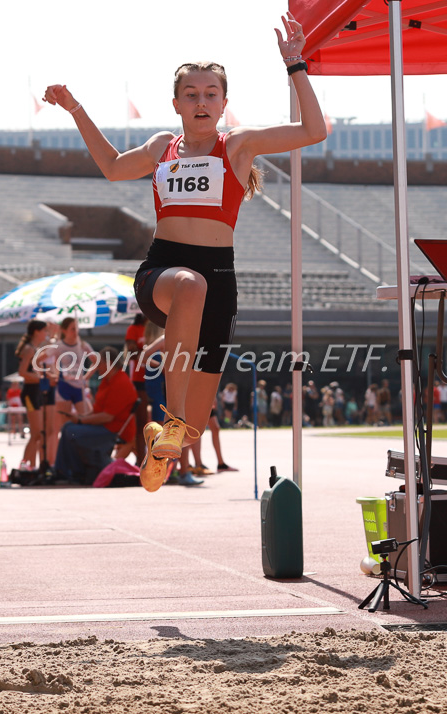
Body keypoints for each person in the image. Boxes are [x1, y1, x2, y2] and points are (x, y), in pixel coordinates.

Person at [43, 11, 326, 492]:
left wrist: (295, 64)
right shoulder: (162, 146)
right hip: (165, 271)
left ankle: (166, 440)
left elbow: (313, 131)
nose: (200, 102)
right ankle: (169, 421)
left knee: (197, 421)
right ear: (176, 103)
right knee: (189, 287)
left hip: (221, 279)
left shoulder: (238, 145)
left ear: (223, 104)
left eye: (210, 94)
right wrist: (76, 110)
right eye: (191, 95)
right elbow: (112, 167)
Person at [54, 347, 138, 485]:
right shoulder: (108, 380)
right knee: (69, 427)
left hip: (112, 430)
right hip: (105, 427)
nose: (97, 367)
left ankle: (70, 472)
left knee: (70, 430)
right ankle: (67, 471)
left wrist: (81, 420)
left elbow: (107, 417)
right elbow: (97, 411)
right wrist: (79, 417)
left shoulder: (121, 382)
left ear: (110, 363)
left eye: (100, 363)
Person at [15, 320, 55, 468]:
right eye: (44, 331)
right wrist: (41, 378)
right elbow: (22, 372)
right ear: (36, 332)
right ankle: (24, 466)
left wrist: (48, 376)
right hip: (30, 393)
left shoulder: (34, 348)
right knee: (36, 434)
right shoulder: (29, 349)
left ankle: (29, 466)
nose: (46, 334)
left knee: (38, 434)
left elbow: (35, 370)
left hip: (35, 392)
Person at [52, 317, 95, 437]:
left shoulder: (82, 345)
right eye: (72, 329)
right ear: (64, 330)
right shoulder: (59, 346)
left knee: (85, 419)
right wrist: (52, 375)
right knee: (65, 425)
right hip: (63, 387)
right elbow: (43, 360)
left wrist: (86, 377)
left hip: (79, 387)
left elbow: (96, 361)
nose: (75, 331)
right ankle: (66, 451)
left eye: (77, 328)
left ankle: (80, 449)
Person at [124, 314, 149, 465]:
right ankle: (141, 459)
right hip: (139, 379)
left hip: (158, 379)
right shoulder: (134, 329)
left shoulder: (158, 327)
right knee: (141, 423)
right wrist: (151, 354)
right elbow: (132, 353)